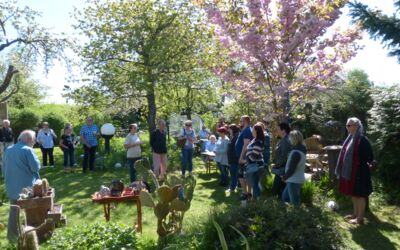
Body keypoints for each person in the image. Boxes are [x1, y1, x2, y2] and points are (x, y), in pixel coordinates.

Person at [2, 130, 40, 242]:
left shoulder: (8, 150)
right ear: (28, 140)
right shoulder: (28, 150)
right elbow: (35, 168)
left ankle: (12, 237)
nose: (34, 142)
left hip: (11, 186)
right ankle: (32, 236)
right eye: (34, 140)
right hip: (26, 188)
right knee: (31, 210)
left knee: (14, 211)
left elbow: (4, 168)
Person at [335, 117, 374, 225]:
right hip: (351, 172)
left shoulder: (362, 140)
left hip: (360, 172)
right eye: (347, 125)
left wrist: (364, 164)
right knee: (353, 193)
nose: (347, 127)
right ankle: (355, 214)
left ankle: (360, 218)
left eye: (349, 125)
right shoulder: (350, 138)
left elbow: (369, 157)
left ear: (356, 126)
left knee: (360, 195)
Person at [282, 130, 307, 207]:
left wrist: (284, 177)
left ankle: (297, 217)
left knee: (295, 203)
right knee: (285, 197)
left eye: (290, 137)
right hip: (295, 179)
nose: (289, 139)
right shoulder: (301, 150)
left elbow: (292, 168)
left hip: (294, 180)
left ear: (294, 139)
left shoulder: (296, 152)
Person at [243, 122, 264, 201]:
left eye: (253, 129)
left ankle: (256, 201)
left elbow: (254, 156)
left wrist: (245, 161)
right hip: (252, 166)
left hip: (256, 166)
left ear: (256, 131)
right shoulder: (254, 140)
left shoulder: (258, 141)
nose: (251, 130)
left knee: (255, 185)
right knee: (254, 184)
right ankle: (256, 200)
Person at [271, 122, 292, 199]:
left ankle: (281, 205)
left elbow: (284, 157)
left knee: (276, 189)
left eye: (278, 130)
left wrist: (276, 165)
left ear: (283, 131)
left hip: (282, 170)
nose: (277, 131)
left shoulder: (286, 141)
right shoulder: (283, 140)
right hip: (281, 169)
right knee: (279, 190)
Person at [236, 115, 253, 200]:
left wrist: (241, 157)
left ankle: (245, 193)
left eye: (241, 120)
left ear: (245, 121)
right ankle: (248, 193)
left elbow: (246, 144)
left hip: (243, 157)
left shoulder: (247, 130)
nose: (240, 122)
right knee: (245, 176)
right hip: (244, 157)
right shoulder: (246, 130)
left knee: (241, 175)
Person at [227, 124, 240, 192]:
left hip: (234, 159)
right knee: (235, 173)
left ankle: (232, 188)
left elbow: (234, 149)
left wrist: (231, 159)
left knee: (233, 174)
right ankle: (238, 186)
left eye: (229, 129)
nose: (228, 130)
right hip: (232, 159)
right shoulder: (233, 137)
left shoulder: (236, 137)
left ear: (232, 129)